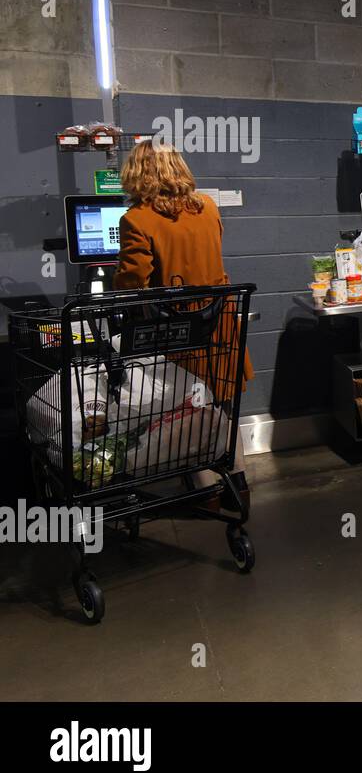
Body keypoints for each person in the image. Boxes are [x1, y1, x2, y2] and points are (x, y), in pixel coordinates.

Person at [113, 139, 253, 510]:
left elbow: (132, 282)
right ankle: (238, 485)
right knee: (223, 404)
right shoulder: (206, 206)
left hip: (176, 329)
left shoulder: (136, 219)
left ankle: (206, 492)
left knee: (185, 408)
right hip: (218, 319)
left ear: (136, 173)